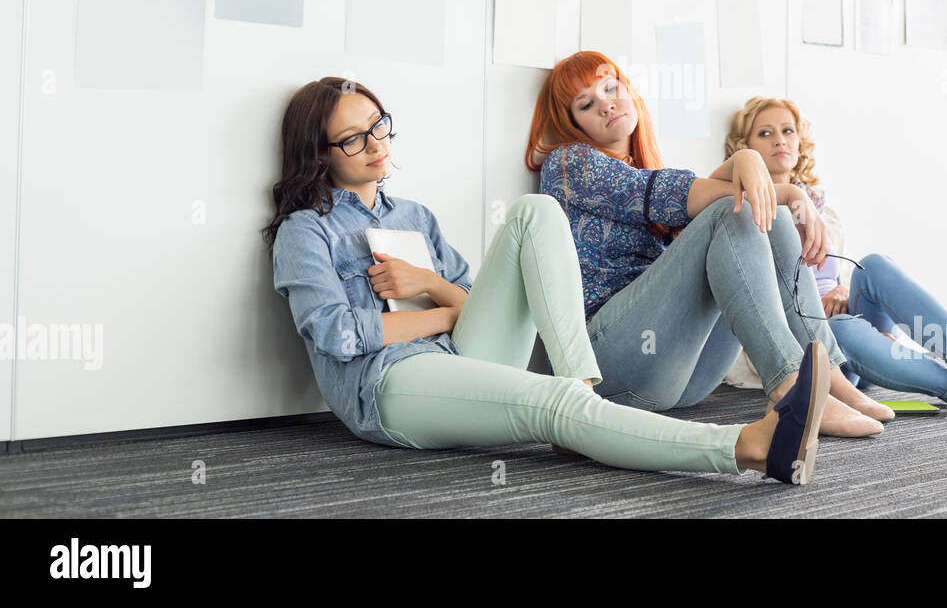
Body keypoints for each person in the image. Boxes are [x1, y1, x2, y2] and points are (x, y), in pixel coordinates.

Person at [260, 77, 831, 485]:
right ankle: (746, 447)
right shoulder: (305, 231)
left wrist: (430, 285)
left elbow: (473, 300)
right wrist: (439, 314)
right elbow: (336, 335)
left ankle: (579, 382)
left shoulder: (414, 216)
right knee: (547, 402)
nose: (376, 143)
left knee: (537, 210)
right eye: (354, 139)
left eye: (378, 126)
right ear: (319, 153)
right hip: (389, 382)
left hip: (461, 351)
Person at [527, 52, 890, 438]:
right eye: (586, 104)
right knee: (739, 209)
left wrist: (766, 183)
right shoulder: (569, 164)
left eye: (611, 88)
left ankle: (829, 375)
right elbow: (680, 196)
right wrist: (756, 168)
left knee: (770, 215)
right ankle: (788, 388)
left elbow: (697, 205)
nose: (606, 105)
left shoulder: (639, 164)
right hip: (606, 367)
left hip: (683, 380)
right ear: (572, 123)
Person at [720, 96, 947, 415]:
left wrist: (843, 291)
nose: (780, 139)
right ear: (745, 147)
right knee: (840, 329)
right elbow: (757, 297)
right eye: (764, 134)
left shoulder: (823, 212)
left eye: (787, 130)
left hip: (848, 326)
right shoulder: (741, 210)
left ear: (800, 142)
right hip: (809, 345)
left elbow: (830, 275)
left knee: (873, 265)